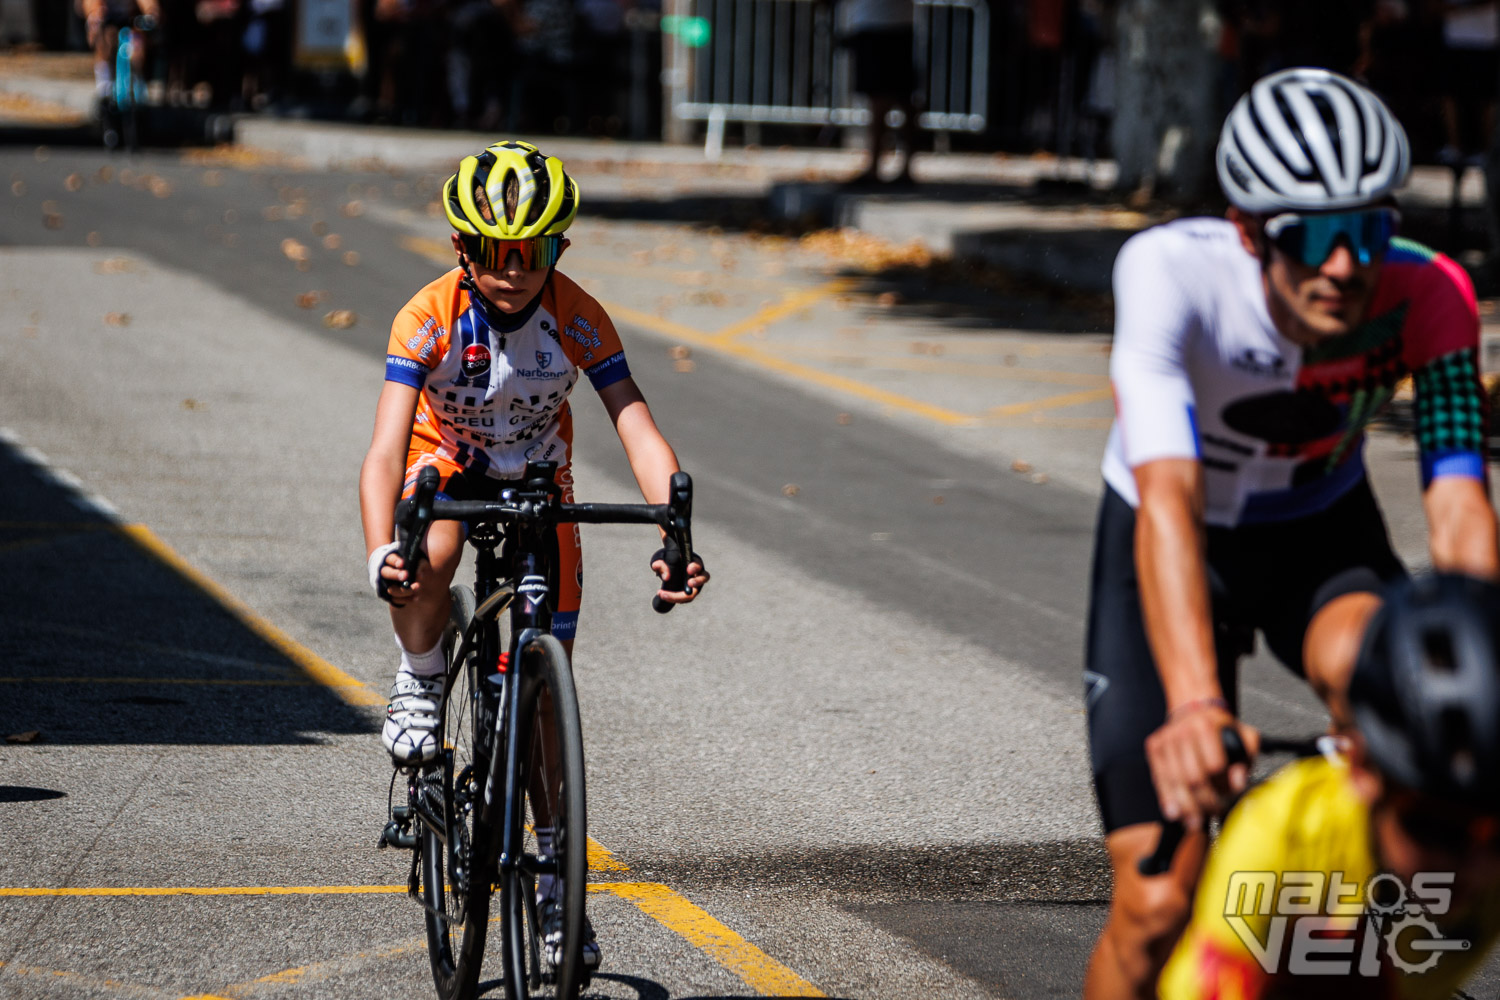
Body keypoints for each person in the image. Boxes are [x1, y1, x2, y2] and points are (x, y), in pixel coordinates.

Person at [1082, 67, 1498, 1000]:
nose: (1343, 264)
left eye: (1367, 230)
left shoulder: (1433, 296)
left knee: (1387, 699)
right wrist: (1195, 708)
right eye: (1309, 236)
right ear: (1247, 231)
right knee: (1157, 902)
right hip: (1171, 539)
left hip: (1317, 532)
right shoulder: (1170, 272)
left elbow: (1460, 506)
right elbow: (1170, 499)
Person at [359, 140, 710, 973]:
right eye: (493, 252)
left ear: (559, 249)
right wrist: (382, 553)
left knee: (547, 707)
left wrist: (675, 531)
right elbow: (381, 452)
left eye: (535, 252)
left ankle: (557, 887)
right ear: (461, 248)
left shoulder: (580, 314)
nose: (514, 269)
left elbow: (637, 426)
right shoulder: (427, 315)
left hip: (539, 483)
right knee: (429, 548)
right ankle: (419, 673)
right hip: (445, 467)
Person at [1159, 573, 1500, 997]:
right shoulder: (1280, 842)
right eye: (1435, 829)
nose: (1472, 864)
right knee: (1151, 912)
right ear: (1359, 769)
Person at [839, 0, 918, 186]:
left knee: (882, 100)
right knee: (901, 101)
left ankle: (876, 168)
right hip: (886, 25)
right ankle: (893, 167)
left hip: (881, 27)